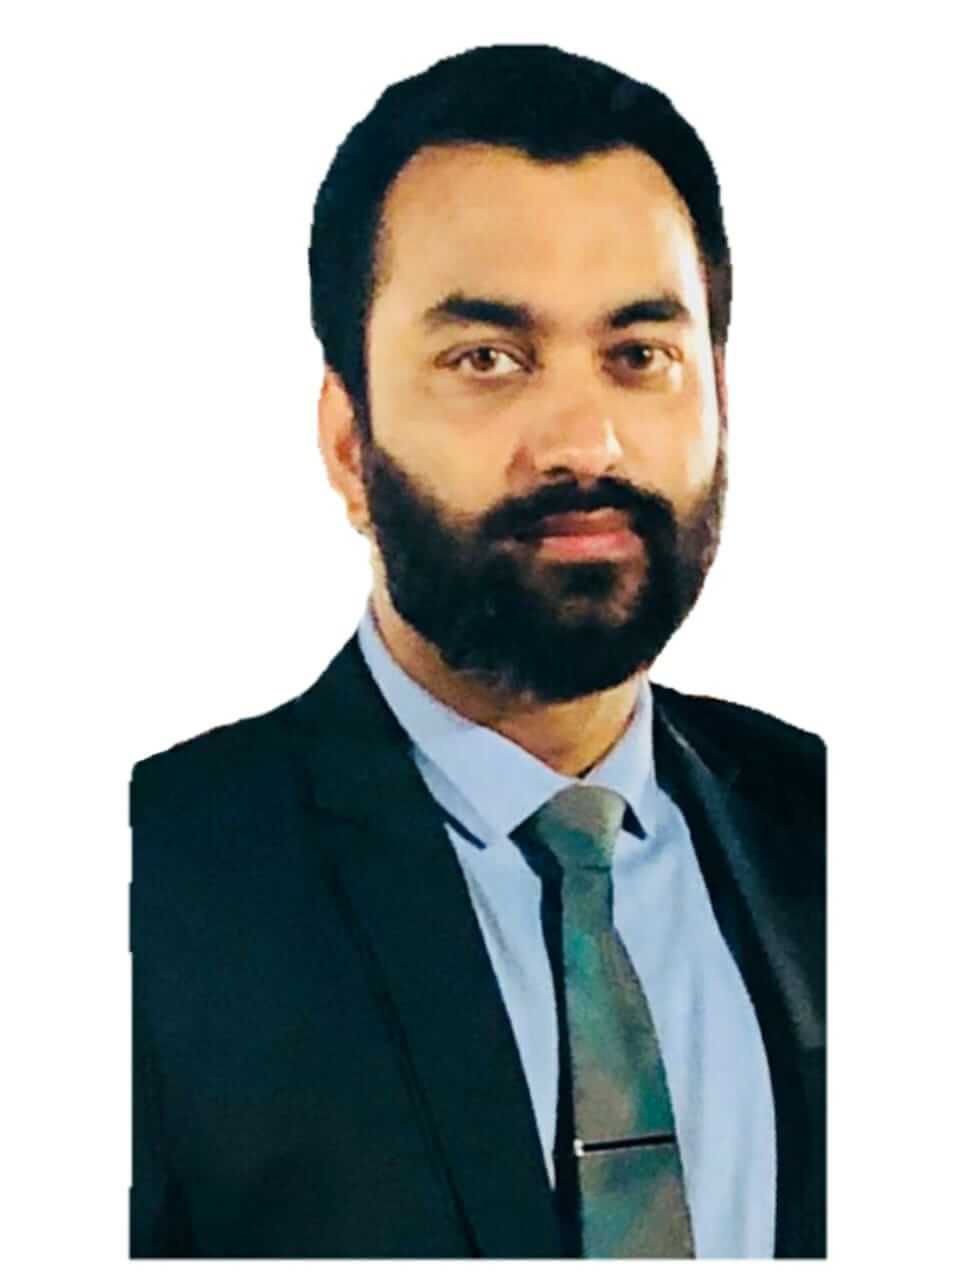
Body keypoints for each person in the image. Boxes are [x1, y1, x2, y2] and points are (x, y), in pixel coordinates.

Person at [130, 44, 825, 1259]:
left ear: (718, 394)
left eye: (638, 354)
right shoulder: (142, 883)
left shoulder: (839, 825)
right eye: (486, 358)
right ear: (348, 442)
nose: (585, 441)